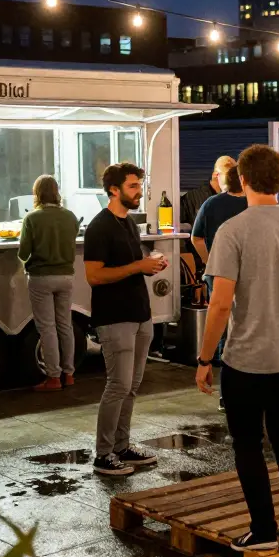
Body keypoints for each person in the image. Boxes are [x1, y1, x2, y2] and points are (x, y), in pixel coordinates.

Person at [194, 144, 279, 553]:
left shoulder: (232, 230)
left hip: (246, 358)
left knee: (248, 442)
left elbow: (219, 303)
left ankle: (264, 531)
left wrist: (203, 359)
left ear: (243, 180)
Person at [85, 162, 168, 476]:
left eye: (139, 186)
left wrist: (149, 264)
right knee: (118, 385)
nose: (138, 192)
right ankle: (103, 454)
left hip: (139, 314)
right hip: (115, 316)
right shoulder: (99, 227)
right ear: (114, 190)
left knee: (131, 386)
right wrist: (138, 267)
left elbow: (134, 264)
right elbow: (94, 275)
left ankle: (122, 446)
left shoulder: (129, 224)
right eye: (133, 187)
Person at [192, 160, 249, 412]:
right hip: (250, 275)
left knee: (224, 328)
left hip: (219, 275)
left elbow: (196, 237)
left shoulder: (211, 204)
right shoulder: (254, 205)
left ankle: (227, 395)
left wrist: (209, 261)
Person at [18, 174, 80, 392]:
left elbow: (23, 252)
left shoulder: (32, 219)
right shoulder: (71, 217)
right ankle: (69, 374)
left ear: (37, 193)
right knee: (65, 325)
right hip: (66, 276)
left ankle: (53, 378)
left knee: (47, 328)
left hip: (41, 277)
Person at [182, 156, 236, 301]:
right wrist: (207, 264)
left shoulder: (240, 200)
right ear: (215, 175)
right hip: (206, 266)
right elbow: (194, 238)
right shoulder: (196, 198)